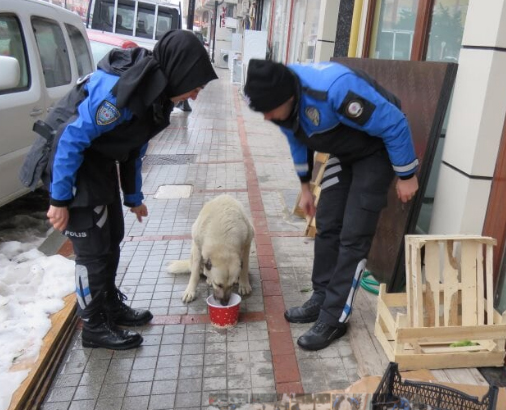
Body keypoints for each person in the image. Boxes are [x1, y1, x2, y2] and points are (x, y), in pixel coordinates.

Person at [20, 30, 217, 350]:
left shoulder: (154, 93)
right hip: (68, 163)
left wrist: (134, 197)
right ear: (180, 72)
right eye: (196, 87)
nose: (195, 96)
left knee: (112, 234)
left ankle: (110, 305)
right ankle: (94, 326)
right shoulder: (118, 91)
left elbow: (134, 146)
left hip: (95, 162)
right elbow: (69, 140)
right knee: (92, 251)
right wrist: (59, 200)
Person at [243, 59, 419, 351]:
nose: (266, 117)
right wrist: (304, 188)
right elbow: (296, 139)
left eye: (268, 111)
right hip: (345, 151)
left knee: (353, 235)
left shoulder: (335, 90)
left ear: (287, 98)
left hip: (375, 150)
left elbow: (395, 123)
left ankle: (334, 318)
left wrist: (406, 175)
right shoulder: (283, 101)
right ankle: (321, 296)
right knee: (327, 223)